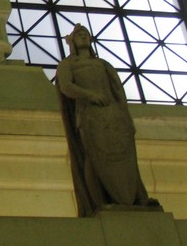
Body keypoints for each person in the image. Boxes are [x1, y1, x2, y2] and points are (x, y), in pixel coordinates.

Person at [55, 24, 158, 216]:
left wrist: (125, 115)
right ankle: (99, 202)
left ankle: (138, 198)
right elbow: (66, 86)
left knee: (127, 158)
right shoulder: (68, 65)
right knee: (94, 157)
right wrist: (88, 94)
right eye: (80, 35)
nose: (84, 37)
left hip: (113, 115)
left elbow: (118, 91)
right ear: (72, 41)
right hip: (89, 115)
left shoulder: (103, 64)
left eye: (86, 34)